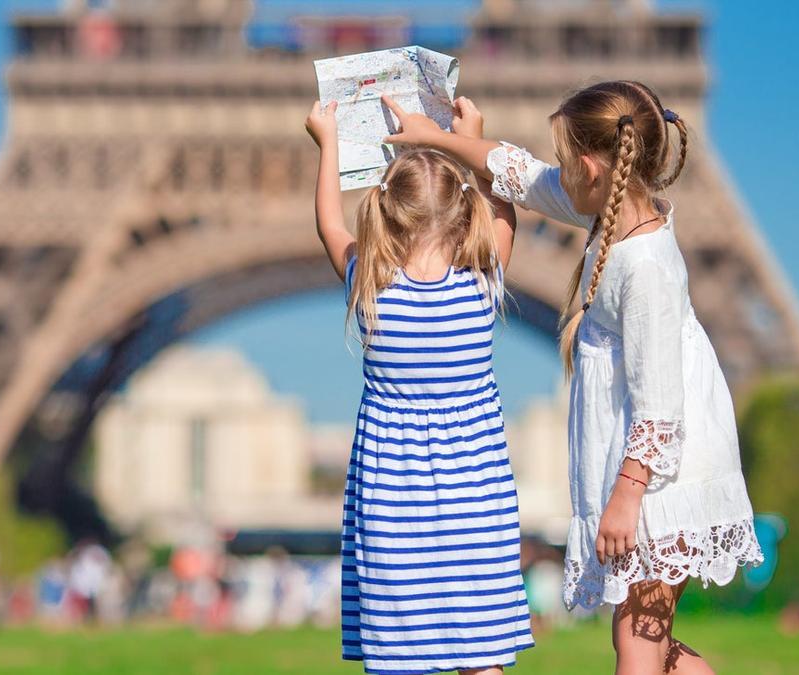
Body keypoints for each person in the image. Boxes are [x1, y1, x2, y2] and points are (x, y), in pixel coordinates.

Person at [382, 81, 765, 673]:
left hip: (664, 479)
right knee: (649, 644)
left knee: (638, 645)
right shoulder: (613, 214)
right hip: (653, 473)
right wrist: (444, 139)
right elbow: (524, 178)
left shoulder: (646, 265)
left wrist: (626, 497)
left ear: (589, 168)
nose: (558, 173)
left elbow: (661, 405)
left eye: (565, 162)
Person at [305, 98, 534, 675]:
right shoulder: (481, 286)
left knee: (400, 656)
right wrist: (472, 139)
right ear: (461, 216)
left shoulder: (370, 287)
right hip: (476, 500)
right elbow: (504, 218)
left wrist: (330, 143)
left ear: (387, 214)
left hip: (391, 503)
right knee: (482, 656)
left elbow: (331, 226)